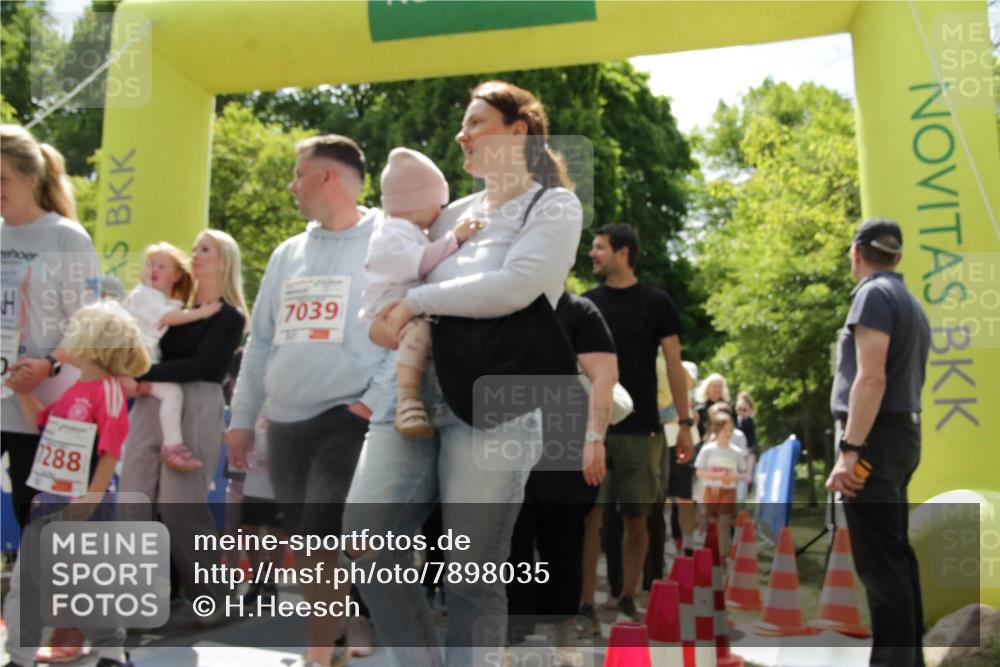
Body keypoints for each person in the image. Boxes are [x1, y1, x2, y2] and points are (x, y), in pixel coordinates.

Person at [344, 80, 583, 667]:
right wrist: (380, 313)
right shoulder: (450, 214)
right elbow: (393, 279)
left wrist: (419, 302)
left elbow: (515, 286)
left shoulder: (554, 205)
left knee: (471, 570)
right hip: (413, 391)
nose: (462, 134)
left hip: (496, 398)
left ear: (517, 131)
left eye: (476, 122)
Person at [226, 134, 386, 667]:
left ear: (328, 178)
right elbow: (263, 340)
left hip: (348, 418)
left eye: (299, 174)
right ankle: (337, 642)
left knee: (323, 540)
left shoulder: (389, 238)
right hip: (285, 421)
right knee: (311, 551)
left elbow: (411, 324)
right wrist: (244, 418)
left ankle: (321, 653)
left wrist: (371, 401)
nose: (291, 186)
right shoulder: (287, 253)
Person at [3, 300, 151, 667]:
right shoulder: (74, 390)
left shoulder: (109, 391)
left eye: (73, 330)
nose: (64, 338)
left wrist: (93, 496)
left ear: (93, 341)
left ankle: (112, 652)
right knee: (29, 581)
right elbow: (44, 423)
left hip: (85, 504)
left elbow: (110, 449)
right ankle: (20, 657)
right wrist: (22, 392)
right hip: (51, 499)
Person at [119, 229, 247, 628]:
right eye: (194, 249)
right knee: (132, 502)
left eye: (204, 249)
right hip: (148, 404)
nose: (196, 255)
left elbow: (205, 366)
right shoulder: (172, 308)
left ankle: (217, 596)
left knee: (181, 509)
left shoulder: (229, 316)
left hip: (196, 404)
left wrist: (140, 372)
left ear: (224, 259)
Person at [826, 218, 930, 667]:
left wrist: (850, 451)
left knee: (880, 563)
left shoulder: (872, 295)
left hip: (874, 439)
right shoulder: (909, 301)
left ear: (856, 253)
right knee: (896, 556)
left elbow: (870, 377)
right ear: (898, 257)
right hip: (900, 435)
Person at [580, 223, 694, 626]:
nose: (592, 254)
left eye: (599, 247)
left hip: (643, 428)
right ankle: (585, 605)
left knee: (637, 517)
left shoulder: (657, 303)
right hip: (593, 429)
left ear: (622, 252)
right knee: (588, 518)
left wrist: (685, 422)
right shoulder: (585, 304)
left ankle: (627, 597)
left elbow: (675, 367)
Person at [506, 290, 615, 661]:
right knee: (511, 542)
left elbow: (605, 377)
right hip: (507, 445)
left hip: (566, 447)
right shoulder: (503, 302)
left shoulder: (580, 312)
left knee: (562, 543)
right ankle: (511, 640)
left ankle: (564, 635)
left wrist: (594, 439)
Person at [1, 125, 100, 532]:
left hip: (48, 406)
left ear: (32, 178)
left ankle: (55, 596)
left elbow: (89, 324)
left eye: (2, 178)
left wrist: (48, 363)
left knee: (41, 517)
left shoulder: (66, 238)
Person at [363, 147, 481, 437]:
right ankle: (408, 400)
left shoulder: (406, 230)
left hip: (404, 304)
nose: (440, 211)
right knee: (417, 334)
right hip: (392, 306)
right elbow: (419, 262)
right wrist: (455, 238)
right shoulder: (392, 232)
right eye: (436, 205)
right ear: (415, 203)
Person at [124, 242, 223, 472]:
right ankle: (173, 445)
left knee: (166, 396)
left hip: (142, 364)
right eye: (149, 265)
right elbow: (168, 317)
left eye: (161, 266)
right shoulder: (142, 295)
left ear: (177, 275)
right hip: (134, 363)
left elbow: (172, 311)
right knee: (172, 393)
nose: (153, 270)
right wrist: (201, 313)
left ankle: (164, 446)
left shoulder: (161, 299)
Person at [694, 410, 747, 559]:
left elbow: (743, 473)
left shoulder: (736, 452)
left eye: (730, 430)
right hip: (711, 490)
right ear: (716, 430)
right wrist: (716, 475)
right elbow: (699, 471)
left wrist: (732, 477)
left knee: (724, 522)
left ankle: (724, 555)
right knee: (710, 523)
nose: (728, 434)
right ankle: (709, 556)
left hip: (728, 491)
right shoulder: (708, 450)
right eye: (724, 430)